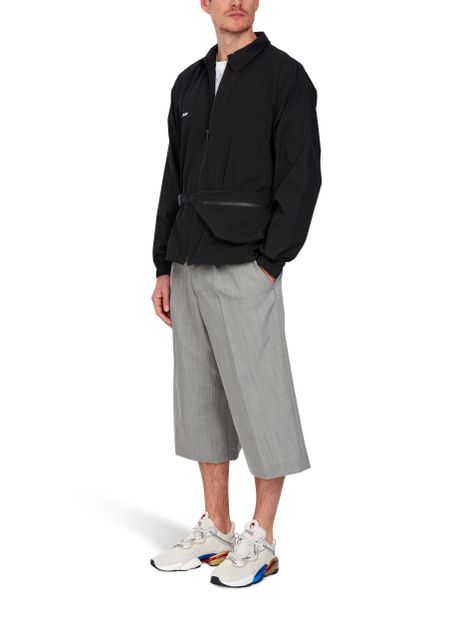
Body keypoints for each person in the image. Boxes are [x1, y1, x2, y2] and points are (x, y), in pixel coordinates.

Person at [150, 0, 321, 588]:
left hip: (248, 262)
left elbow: (302, 174)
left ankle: (263, 536)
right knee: (200, 400)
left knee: (261, 398)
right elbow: (174, 176)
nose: (236, 1)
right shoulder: (189, 83)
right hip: (189, 261)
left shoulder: (285, 77)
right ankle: (218, 529)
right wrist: (163, 264)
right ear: (203, 2)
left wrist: (271, 260)